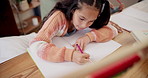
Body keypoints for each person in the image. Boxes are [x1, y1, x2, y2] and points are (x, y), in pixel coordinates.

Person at [29, 0, 118, 64]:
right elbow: (35, 44)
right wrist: (70, 55)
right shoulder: (58, 17)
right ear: (73, 10)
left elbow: (113, 30)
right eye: (81, 18)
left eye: (91, 21)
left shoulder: (89, 15)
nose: (84, 25)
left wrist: (89, 37)